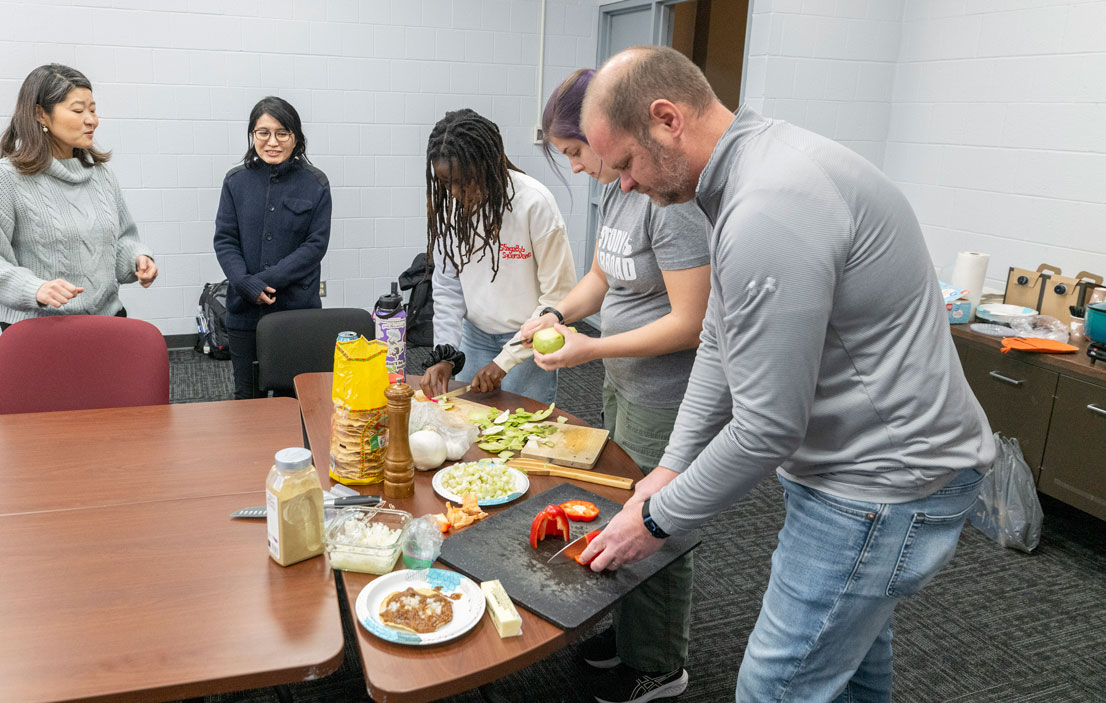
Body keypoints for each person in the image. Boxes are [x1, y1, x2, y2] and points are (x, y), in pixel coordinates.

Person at [578, 46, 995, 703]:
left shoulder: (766, 209)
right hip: (875, 467)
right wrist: (671, 464)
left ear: (666, 119)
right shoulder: (751, 170)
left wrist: (655, 518)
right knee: (851, 669)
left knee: (777, 686)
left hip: (882, 484)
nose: (623, 184)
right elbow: (719, 334)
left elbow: (766, 428)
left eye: (625, 162)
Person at [518, 67, 711, 703]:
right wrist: (556, 314)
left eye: (577, 153)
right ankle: (634, 637)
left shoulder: (668, 204)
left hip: (666, 396)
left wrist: (590, 346)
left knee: (658, 524)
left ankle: (661, 661)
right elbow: (601, 278)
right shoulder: (619, 192)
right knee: (622, 512)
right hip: (621, 384)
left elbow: (691, 323)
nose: (576, 168)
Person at [0, 64, 156, 331]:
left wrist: (137, 259)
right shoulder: (2, 179)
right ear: (40, 115)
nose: (92, 120)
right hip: (38, 330)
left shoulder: (102, 175)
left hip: (107, 320)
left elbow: (122, 240)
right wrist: (35, 289)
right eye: (78, 110)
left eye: (93, 109)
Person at [419, 109, 576, 406]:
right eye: (445, 183)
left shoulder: (534, 204)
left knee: (524, 431)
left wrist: (507, 359)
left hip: (528, 339)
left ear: (488, 165)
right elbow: (448, 290)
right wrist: (446, 355)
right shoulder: (452, 211)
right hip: (475, 335)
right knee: (470, 428)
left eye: (463, 182)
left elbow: (558, 295)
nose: (454, 193)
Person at [213, 96, 331, 399]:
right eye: (263, 132)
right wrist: (244, 283)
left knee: (294, 400)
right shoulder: (235, 181)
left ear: (296, 138)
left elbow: (315, 246)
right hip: (244, 309)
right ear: (252, 135)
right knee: (247, 399)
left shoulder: (315, 183)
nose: (272, 141)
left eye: (282, 132)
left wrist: (263, 282)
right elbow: (225, 239)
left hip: (296, 310)